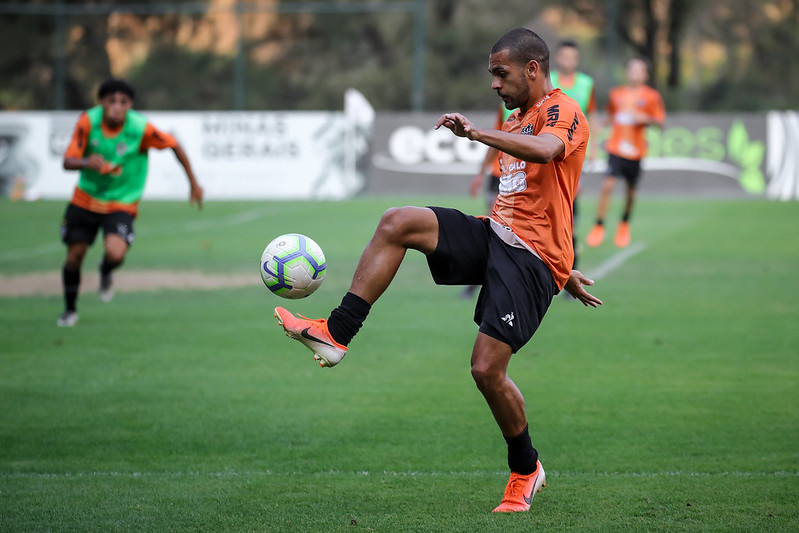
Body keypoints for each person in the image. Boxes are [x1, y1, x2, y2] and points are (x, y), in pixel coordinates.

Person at [274, 28, 602, 513]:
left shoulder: (562, 109)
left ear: (533, 69)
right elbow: (533, 195)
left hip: (531, 260)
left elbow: (549, 151)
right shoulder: (515, 122)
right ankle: (336, 332)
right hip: (496, 236)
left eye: (501, 73)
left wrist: (558, 263)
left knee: (486, 371)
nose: (493, 83)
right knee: (398, 221)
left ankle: (526, 468)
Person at [57, 79, 203, 327]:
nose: (117, 107)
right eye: (111, 101)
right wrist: (85, 162)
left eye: (123, 102)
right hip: (85, 200)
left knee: (115, 254)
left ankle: (105, 270)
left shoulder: (140, 128)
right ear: (101, 102)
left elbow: (174, 145)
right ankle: (70, 310)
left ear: (130, 105)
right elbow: (68, 161)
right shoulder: (87, 122)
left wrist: (193, 183)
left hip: (121, 204)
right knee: (74, 258)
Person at [586, 57, 665, 248]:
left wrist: (644, 117)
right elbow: (611, 114)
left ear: (645, 75)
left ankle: (624, 223)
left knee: (630, 192)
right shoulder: (616, 94)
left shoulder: (651, 96)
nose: (635, 74)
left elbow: (660, 122)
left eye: (640, 71)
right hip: (615, 148)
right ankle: (599, 225)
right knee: (607, 184)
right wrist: (599, 126)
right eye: (632, 70)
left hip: (636, 152)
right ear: (627, 72)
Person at [460, 104, 515, 299]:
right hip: (499, 174)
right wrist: (480, 173)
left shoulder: (542, 107)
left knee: (510, 236)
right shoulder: (505, 108)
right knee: (494, 230)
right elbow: (495, 141)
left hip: (521, 178)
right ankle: (476, 284)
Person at [550, 40, 597, 269]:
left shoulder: (586, 84)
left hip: (575, 159)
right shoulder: (547, 82)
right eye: (563, 56)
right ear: (557, 58)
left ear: (577, 60)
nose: (567, 61)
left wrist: (595, 148)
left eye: (572, 57)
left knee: (570, 213)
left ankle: (571, 268)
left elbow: (592, 117)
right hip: (550, 157)